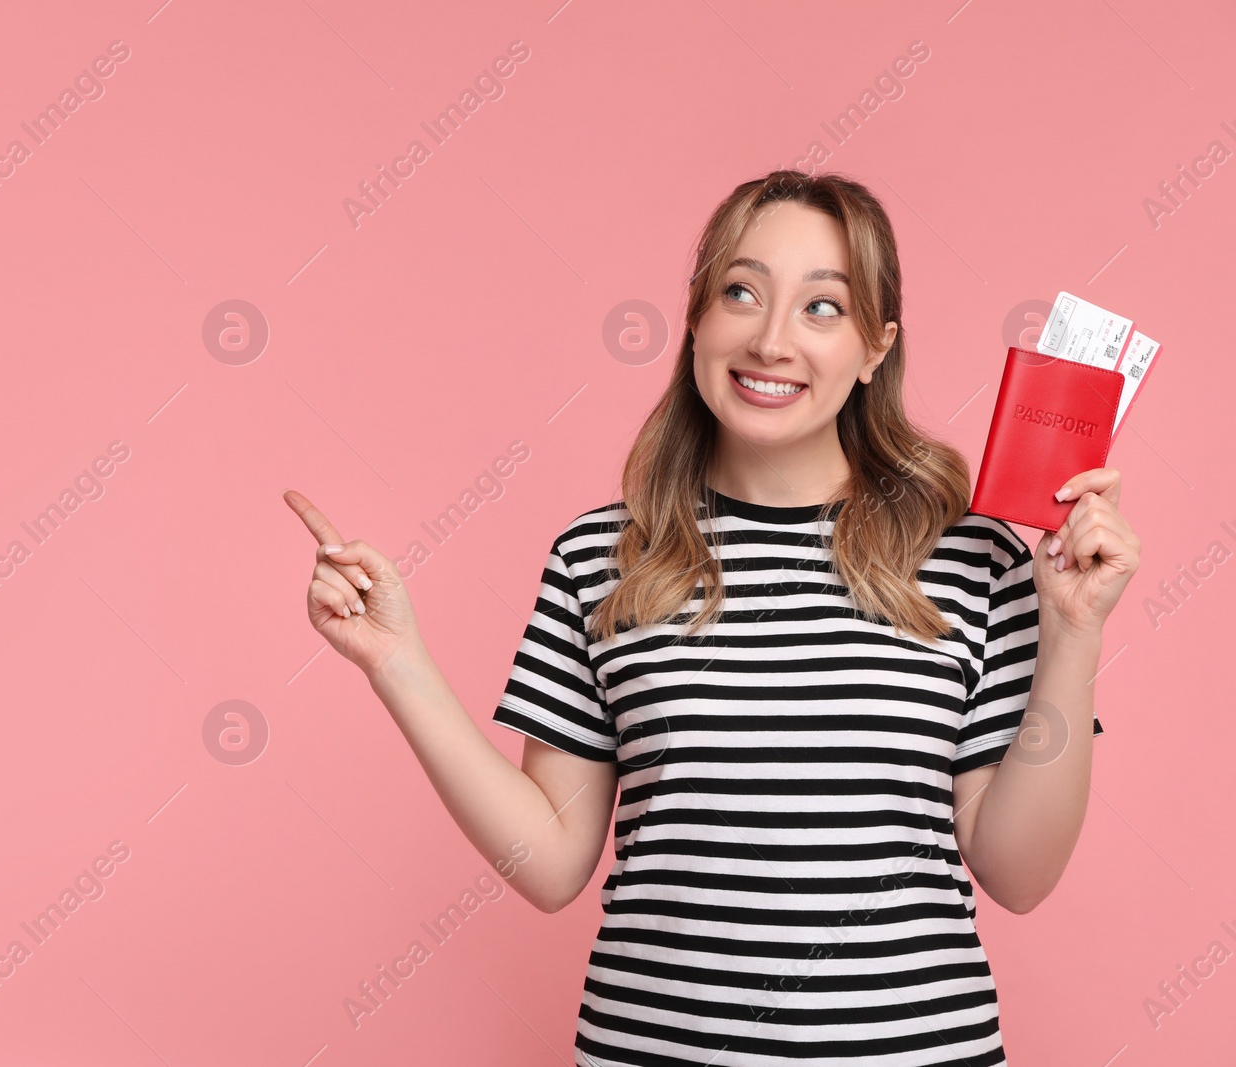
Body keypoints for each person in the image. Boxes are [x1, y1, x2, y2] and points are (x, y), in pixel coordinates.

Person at [284, 168, 1140, 1066]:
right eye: (741, 292)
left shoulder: (976, 559)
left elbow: (1019, 873)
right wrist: (397, 661)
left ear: (877, 346)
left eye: (823, 308)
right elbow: (550, 862)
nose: (772, 340)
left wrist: (1075, 632)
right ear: (696, 317)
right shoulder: (600, 556)